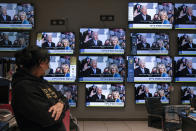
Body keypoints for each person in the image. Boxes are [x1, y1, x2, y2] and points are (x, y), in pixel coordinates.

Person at [11, 46, 69, 131]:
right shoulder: (23, 88)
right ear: (41, 63)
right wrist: (61, 106)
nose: (49, 67)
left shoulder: (41, 81)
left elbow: (63, 98)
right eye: (47, 63)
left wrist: (60, 104)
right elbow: (49, 118)